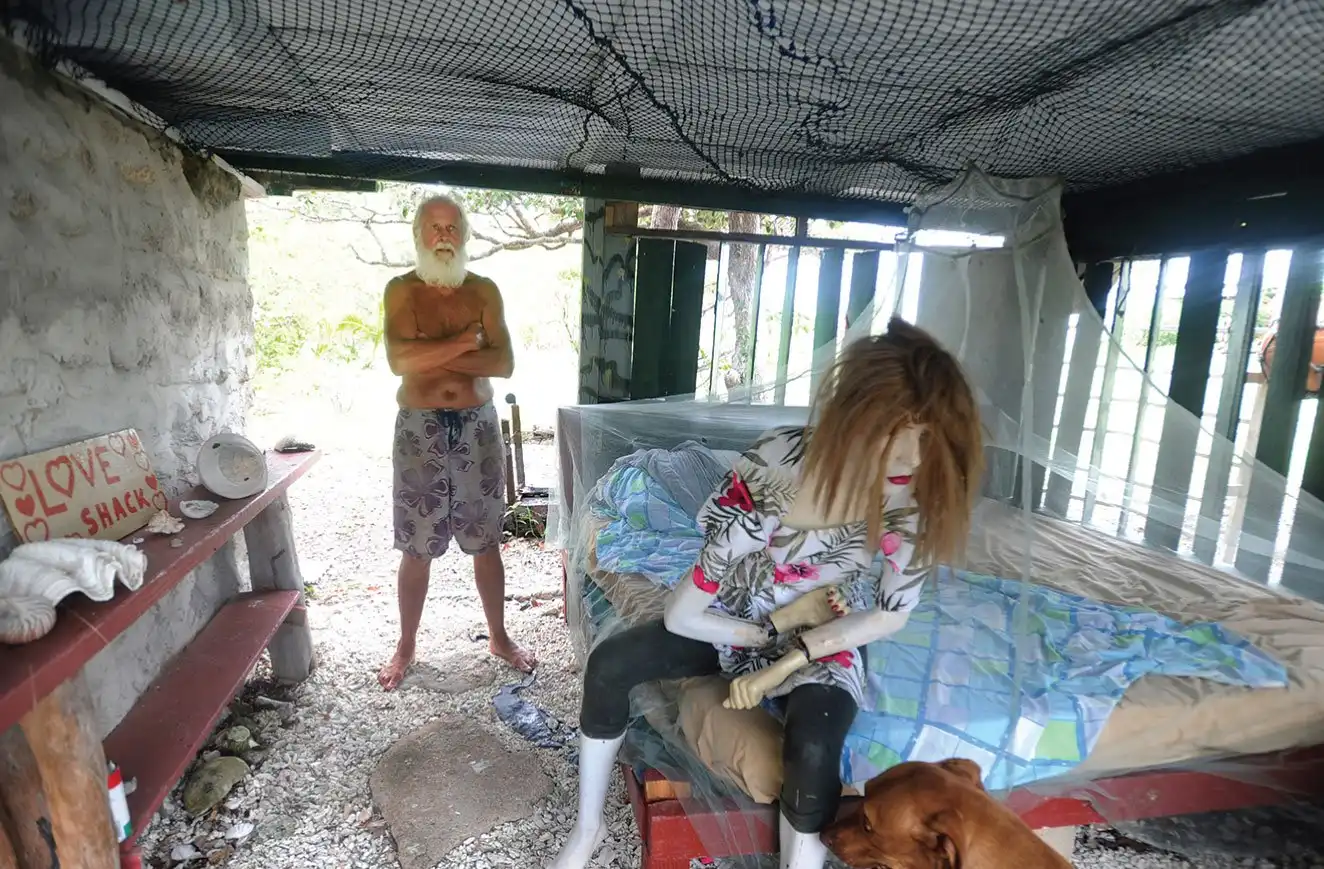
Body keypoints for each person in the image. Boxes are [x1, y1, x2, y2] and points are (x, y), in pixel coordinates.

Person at [549, 319, 984, 869]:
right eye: (895, 434)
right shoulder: (775, 465)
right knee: (611, 663)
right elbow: (684, 615)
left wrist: (790, 655)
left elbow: (889, 614)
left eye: (928, 440)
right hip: (734, 613)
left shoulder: (911, 502)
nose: (912, 460)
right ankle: (586, 830)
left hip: (825, 629)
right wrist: (768, 632)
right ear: (853, 419)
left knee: (813, 746)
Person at [377, 193, 537, 691]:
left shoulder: (484, 290)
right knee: (417, 545)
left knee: (486, 540)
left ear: (465, 234)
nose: (443, 237)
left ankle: (499, 636)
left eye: (452, 227)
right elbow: (400, 362)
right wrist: (468, 342)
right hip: (418, 427)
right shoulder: (401, 291)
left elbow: (503, 363)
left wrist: (430, 352)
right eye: (434, 227)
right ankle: (406, 644)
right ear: (418, 234)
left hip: (477, 425)